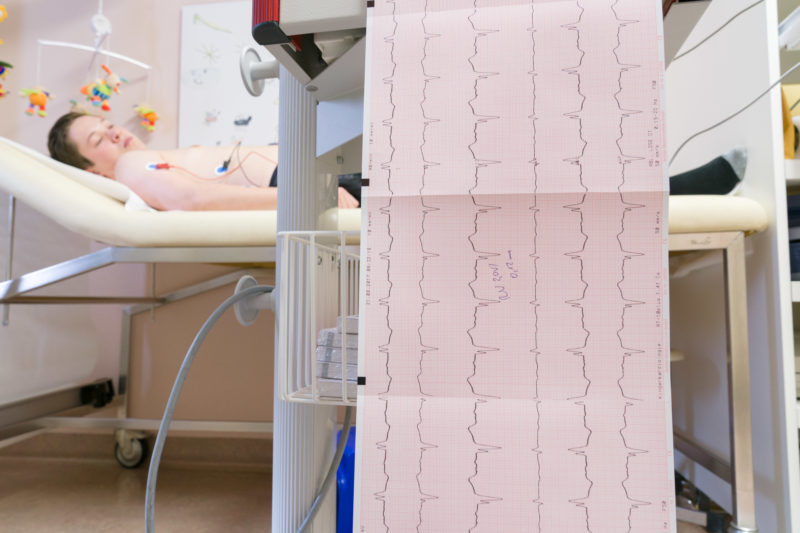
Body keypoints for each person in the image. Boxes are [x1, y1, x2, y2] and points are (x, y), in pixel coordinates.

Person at [47, 112, 360, 211]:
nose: (113, 132)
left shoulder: (146, 160)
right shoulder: (128, 167)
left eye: (107, 123)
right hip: (305, 179)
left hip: (316, 164)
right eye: (97, 140)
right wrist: (310, 196)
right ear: (94, 173)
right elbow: (193, 199)